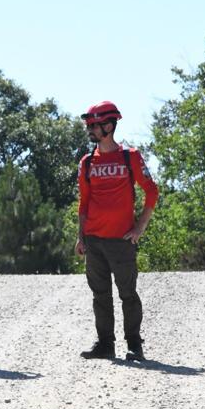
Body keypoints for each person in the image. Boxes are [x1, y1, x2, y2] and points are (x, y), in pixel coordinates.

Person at [75, 102, 159, 361]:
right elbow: (84, 203)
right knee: (100, 294)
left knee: (127, 294)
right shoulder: (87, 162)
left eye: (94, 125)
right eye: (89, 125)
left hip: (121, 240)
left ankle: (134, 345)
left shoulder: (129, 156)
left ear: (109, 126)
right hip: (94, 240)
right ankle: (105, 344)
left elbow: (151, 191)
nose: (90, 129)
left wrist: (139, 227)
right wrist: (81, 236)